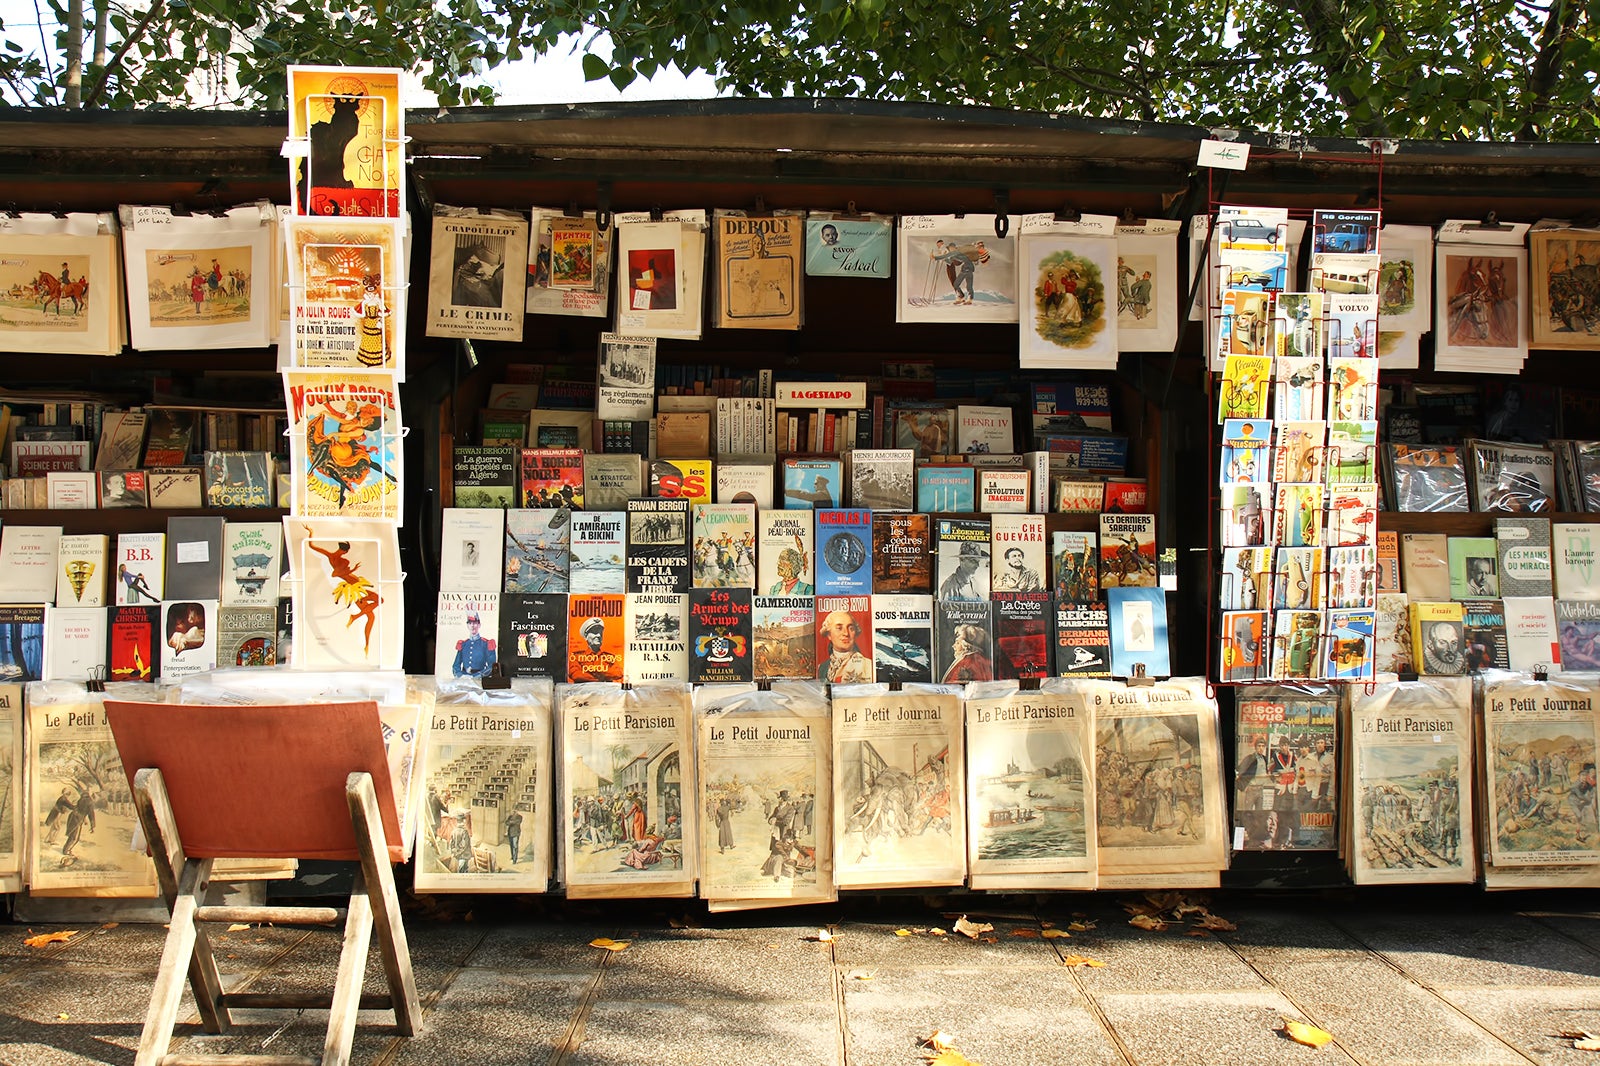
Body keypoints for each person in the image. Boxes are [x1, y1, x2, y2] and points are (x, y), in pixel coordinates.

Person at [819, 609, 871, 683]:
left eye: (851, 628)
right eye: (839, 628)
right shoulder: (821, 667)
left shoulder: (868, 665)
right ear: (829, 635)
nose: (846, 633)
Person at [452, 611, 496, 677]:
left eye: (475, 623)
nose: (472, 626)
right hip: (464, 679)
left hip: (479, 679)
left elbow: (492, 666)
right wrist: (460, 676)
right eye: (470, 623)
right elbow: (456, 665)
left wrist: (477, 676)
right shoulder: (463, 644)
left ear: (479, 625)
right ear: (467, 625)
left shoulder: (486, 644)